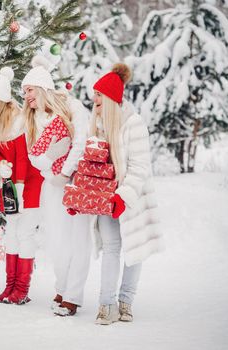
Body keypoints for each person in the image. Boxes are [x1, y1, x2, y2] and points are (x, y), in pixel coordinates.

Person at [88, 63, 164, 325]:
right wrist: (82, 196)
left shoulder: (134, 124)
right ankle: (106, 304)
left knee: (134, 247)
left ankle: (126, 301)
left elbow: (140, 167)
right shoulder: (97, 126)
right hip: (106, 199)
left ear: (110, 98)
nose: (94, 99)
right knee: (111, 248)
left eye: (99, 95)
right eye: (94, 94)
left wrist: (124, 195)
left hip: (132, 198)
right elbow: (91, 166)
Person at [22, 55, 92, 316]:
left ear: (42, 88)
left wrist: (65, 172)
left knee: (78, 240)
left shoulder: (71, 107)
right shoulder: (31, 119)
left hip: (77, 182)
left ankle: (72, 295)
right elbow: (33, 156)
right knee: (56, 239)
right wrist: (50, 161)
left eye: (29, 90)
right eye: (24, 92)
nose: (26, 96)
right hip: (50, 183)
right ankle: (62, 287)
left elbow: (81, 141)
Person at [0, 67, 43, 304]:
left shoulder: (18, 122)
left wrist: (19, 187)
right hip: (11, 188)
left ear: (2, 99)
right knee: (12, 235)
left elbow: (23, 159)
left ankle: (22, 289)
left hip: (29, 185)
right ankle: (10, 287)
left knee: (25, 233)